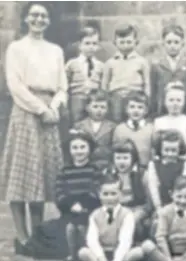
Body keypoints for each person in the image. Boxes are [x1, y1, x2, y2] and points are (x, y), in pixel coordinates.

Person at [0, 1, 67, 250]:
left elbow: (62, 87)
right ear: (26, 19)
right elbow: (15, 85)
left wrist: (53, 107)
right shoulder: (16, 48)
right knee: (21, 176)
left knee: (40, 177)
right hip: (26, 111)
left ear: (48, 21)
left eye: (43, 15)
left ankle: (37, 234)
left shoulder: (56, 50)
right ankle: (22, 235)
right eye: (34, 15)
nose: (39, 19)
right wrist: (40, 108)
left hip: (49, 113)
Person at [20, 130, 101, 260]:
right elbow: (60, 193)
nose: (79, 151)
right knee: (44, 230)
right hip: (69, 214)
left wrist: (83, 205)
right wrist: (70, 205)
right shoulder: (64, 171)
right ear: (69, 150)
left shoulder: (95, 170)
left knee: (80, 232)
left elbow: (96, 191)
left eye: (82, 147)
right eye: (75, 148)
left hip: (89, 214)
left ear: (89, 149)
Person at [140, 176, 186, 261]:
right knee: (147, 245)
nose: (183, 201)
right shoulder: (166, 211)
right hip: (168, 254)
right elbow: (161, 237)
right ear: (171, 194)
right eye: (179, 196)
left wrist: (184, 258)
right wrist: (168, 257)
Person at [78, 175, 144, 261]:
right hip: (101, 254)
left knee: (138, 252)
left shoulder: (127, 214)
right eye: (105, 194)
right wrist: (101, 257)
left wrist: (117, 259)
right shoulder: (95, 215)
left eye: (113, 194)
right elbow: (92, 240)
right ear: (99, 194)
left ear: (121, 194)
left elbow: (125, 241)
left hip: (121, 254)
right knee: (83, 252)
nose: (109, 198)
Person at [101, 23, 151, 123]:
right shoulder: (110, 63)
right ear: (115, 42)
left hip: (135, 96)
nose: (125, 45)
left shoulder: (142, 62)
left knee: (134, 120)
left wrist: (146, 98)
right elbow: (104, 84)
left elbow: (147, 83)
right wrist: (105, 99)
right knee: (116, 120)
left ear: (136, 42)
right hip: (116, 97)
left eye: (129, 42)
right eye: (122, 42)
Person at [105, 139, 150, 242]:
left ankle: (136, 245)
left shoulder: (142, 174)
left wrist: (141, 212)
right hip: (116, 208)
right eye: (118, 158)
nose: (121, 162)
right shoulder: (108, 173)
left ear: (133, 158)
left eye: (125, 158)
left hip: (137, 208)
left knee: (132, 220)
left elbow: (148, 202)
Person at [150, 24, 186, 117]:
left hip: (183, 108)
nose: (172, 46)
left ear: (182, 43)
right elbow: (153, 92)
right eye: (169, 42)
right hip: (162, 109)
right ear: (163, 44)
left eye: (176, 42)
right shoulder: (156, 65)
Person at [65, 24, 104, 124]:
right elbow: (65, 85)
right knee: (77, 124)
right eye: (87, 43)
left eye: (94, 44)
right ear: (79, 45)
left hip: (94, 102)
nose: (91, 47)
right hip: (76, 100)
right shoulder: (72, 64)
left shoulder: (100, 65)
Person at [153, 83, 186, 167]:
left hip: (184, 163)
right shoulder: (158, 121)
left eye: (179, 100)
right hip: (163, 164)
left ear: (184, 102)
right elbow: (155, 148)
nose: (175, 103)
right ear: (165, 101)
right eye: (171, 100)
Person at [73, 88, 116, 170]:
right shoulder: (79, 126)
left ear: (108, 109)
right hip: (85, 165)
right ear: (87, 107)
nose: (99, 110)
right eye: (95, 106)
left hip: (105, 165)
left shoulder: (113, 127)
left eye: (103, 107)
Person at [147, 129, 186, 209]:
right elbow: (154, 188)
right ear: (160, 149)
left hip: (180, 204)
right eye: (166, 150)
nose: (169, 154)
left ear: (179, 149)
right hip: (161, 204)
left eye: (173, 150)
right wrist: (158, 207)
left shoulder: (184, 164)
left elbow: (183, 186)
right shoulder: (154, 165)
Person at [112, 90, 155, 166]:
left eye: (140, 107)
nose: (136, 110)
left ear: (146, 110)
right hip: (125, 169)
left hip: (145, 169)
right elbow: (115, 152)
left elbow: (154, 152)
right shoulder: (119, 129)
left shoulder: (151, 129)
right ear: (126, 109)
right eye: (132, 107)